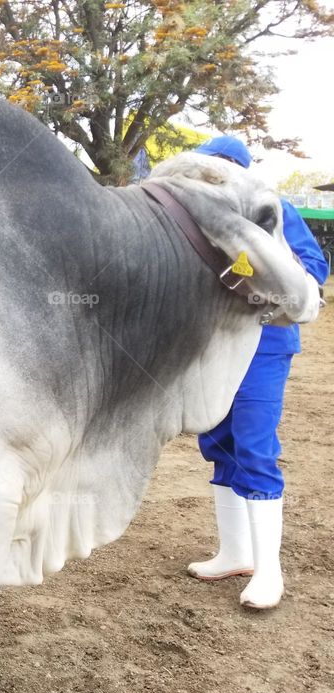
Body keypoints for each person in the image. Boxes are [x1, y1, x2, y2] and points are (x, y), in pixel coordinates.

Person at [186, 136, 329, 609]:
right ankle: (235, 552)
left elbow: (313, 266)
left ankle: (270, 571)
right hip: (217, 343)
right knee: (219, 439)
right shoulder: (196, 216)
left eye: (222, 167)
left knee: (254, 442)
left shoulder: (276, 208)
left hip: (265, 342)